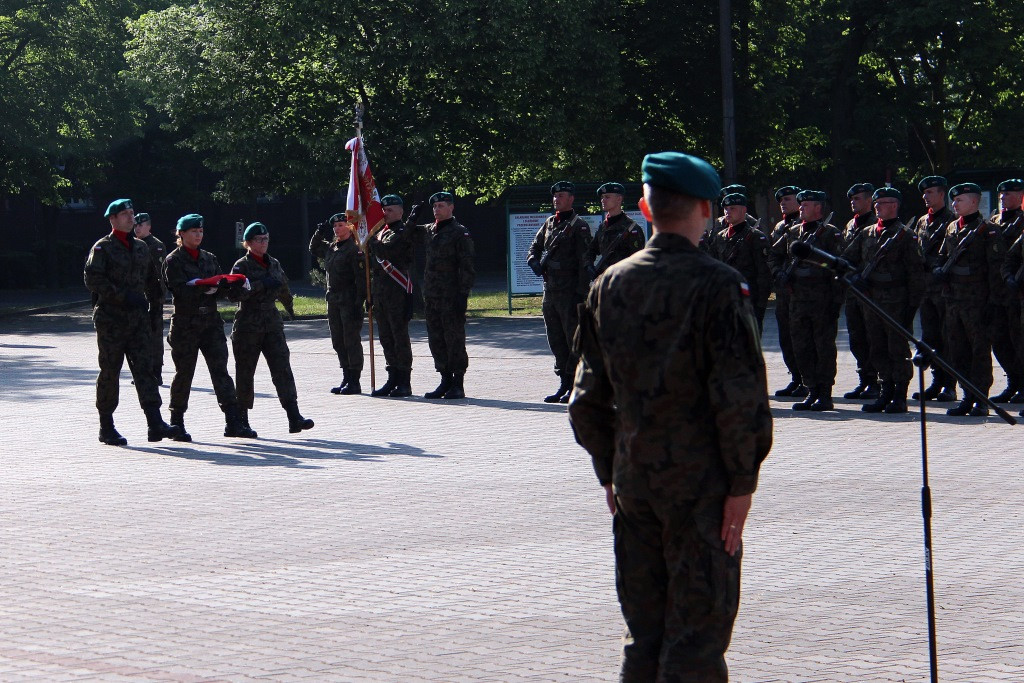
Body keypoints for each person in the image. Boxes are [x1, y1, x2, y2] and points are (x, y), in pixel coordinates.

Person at [569, 151, 772, 682]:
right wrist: (742, 482)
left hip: (635, 483)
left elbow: (586, 399)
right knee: (696, 644)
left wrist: (609, 470)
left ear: (643, 208)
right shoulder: (719, 284)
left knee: (645, 638)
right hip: (701, 489)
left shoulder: (607, 284)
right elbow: (740, 397)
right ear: (706, 208)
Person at [84, 199, 184, 445]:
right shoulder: (102, 248)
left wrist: (155, 305)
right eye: (125, 214)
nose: (131, 218)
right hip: (111, 321)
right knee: (110, 372)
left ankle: (155, 423)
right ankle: (106, 426)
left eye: (131, 213)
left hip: (138, 320)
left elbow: (153, 279)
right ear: (113, 219)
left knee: (145, 370)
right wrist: (123, 296)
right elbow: (92, 279)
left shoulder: (141, 248)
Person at [162, 213, 257, 439]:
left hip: (211, 323)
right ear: (181, 234)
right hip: (186, 324)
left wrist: (232, 286)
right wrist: (202, 288)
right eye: (193, 231)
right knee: (184, 374)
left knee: (221, 372)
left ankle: (232, 422)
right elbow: (177, 290)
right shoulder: (173, 260)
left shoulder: (209, 258)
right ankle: (177, 422)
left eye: (201, 231)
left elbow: (221, 286)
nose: (198, 235)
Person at [840, 187, 925, 413]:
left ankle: (899, 394)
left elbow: (916, 274)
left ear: (895, 206)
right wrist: (854, 278)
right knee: (876, 347)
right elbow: (846, 261)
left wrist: (911, 307)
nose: (877, 206)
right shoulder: (867, 233)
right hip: (871, 301)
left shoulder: (906, 235)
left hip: (896, 301)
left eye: (883, 203)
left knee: (897, 349)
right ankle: (884, 390)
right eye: (876, 203)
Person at [230, 222, 314, 433]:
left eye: (266, 238)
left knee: (282, 369)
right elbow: (233, 295)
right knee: (245, 373)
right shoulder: (242, 266)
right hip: (249, 325)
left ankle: (294, 416)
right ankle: (241, 419)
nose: (264, 243)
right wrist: (260, 285)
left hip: (272, 323)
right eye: (259, 240)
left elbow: (283, 286)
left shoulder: (274, 263)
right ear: (248, 243)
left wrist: (290, 308)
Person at [935, 184, 1007, 416]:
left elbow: (996, 270)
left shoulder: (989, 231)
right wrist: (938, 269)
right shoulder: (952, 228)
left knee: (979, 351)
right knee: (958, 350)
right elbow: (942, 256)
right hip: (954, 300)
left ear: (974, 202)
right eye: (954, 201)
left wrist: (993, 302)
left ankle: (981, 399)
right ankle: (967, 395)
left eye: (960, 201)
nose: (954, 205)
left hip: (978, 301)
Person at [527, 181, 593, 403]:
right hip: (551, 291)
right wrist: (533, 261)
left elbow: (585, 262)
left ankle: (576, 384)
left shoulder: (579, 226)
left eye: (562, 195)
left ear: (571, 199)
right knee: (555, 338)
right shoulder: (549, 223)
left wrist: (580, 293)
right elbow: (534, 246)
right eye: (555, 196)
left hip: (570, 292)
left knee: (572, 339)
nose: (557, 199)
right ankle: (563, 382)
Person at [784, 190, 843, 411]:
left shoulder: (830, 234)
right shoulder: (793, 233)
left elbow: (837, 266)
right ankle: (811, 389)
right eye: (800, 205)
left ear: (818, 208)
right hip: (798, 300)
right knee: (802, 346)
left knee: (823, 347)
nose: (800, 209)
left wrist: (835, 301)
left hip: (822, 300)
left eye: (805, 205)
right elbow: (783, 258)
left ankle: (825, 393)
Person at [415, 192, 475, 399]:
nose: (437, 209)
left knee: (454, 338)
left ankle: (458, 382)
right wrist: (412, 218)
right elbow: (406, 235)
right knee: (436, 339)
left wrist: (463, 294)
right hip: (432, 295)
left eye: (441, 205)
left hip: (451, 295)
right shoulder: (429, 230)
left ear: (451, 208)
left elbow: (467, 266)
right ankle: (444, 379)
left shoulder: (460, 233)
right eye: (435, 206)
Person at [309, 212, 367, 395]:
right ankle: (346, 376)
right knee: (338, 341)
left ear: (349, 227)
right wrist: (319, 233)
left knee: (351, 340)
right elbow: (313, 248)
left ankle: (355, 380)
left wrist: (360, 300)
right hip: (333, 300)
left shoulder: (354, 249)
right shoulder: (332, 247)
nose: (337, 228)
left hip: (349, 300)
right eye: (335, 226)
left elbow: (360, 278)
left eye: (341, 225)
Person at [365, 195, 417, 398]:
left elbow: (387, 251)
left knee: (399, 337)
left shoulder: (403, 232)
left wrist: (368, 237)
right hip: (381, 294)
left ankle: (404, 381)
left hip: (397, 292)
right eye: (384, 210)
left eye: (390, 210)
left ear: (401, 212)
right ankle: (392, 377)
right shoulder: (380, 233)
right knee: (386, 337)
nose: (385, 214)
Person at [911, 176, 957, 402]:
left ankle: (950, 384)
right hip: (925, 290)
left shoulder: (952, 220)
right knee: (930, 337)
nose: (925, 196)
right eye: (924, 193)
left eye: (930, 192)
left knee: (947, 337)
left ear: (942, 195)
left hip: (943, 290)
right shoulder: (922, 222)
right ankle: (937, 381)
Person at [841, 183, 880, 399]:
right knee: (856, 338)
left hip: (870, 291)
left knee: (872, 336)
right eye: (852, 199)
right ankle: (864, 379)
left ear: (869, 201)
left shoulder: (876, 224)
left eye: (857, 199)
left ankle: (877, 381)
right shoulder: (850, 225)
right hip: (852, 290)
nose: (853, 202)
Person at [987, 179, 1024, 403]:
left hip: (1017, 293)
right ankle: (1013, 381)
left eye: (1009, 194)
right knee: (999, 340)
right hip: (996, 292)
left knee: (1019, 341)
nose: (1003, 197)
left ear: (1021, 197)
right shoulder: (993, 222)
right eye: (1001, 194)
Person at [768, 185, 807, 397]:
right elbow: (773, 255)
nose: (783, 203)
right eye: (781, 200)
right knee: (785, 336)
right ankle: (796, 377)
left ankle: (809, 379)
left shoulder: (806, 225)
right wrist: (777, 273)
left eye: (788, 199)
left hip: (802, 290)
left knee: (802, 336)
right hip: (784, 291)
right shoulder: (779, 226)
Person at [713, 192, 771, 331]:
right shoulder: (720, 237)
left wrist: (761, 304)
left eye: (732, 208)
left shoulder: (756, 237)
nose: (727, 212)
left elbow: (764, 273)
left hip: (749, 299)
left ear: (744, 210)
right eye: (726, 209)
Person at [132, 212, 168, 384]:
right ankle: (141, 372)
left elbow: (159, 275)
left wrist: (157, 298)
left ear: (149, 226)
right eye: (136, 225)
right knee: (137, 337)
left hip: (153, 298)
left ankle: (156, 372)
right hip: (136, 298)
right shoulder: (132, 244)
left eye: (141, 224)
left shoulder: (156, 246)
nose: (137, 227)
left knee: (154, 336)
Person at [583, 182, 645, 281]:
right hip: (604, 283)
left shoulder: (632, 229)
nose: (603, 200)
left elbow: (638, 261)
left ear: (619, 199)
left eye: (607, 197)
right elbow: (591, 249)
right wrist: (589, 265)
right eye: (602, 197)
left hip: (624, 284)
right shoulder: (603, 227)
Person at [999, 197, 1024, 418]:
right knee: (1010, 343)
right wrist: (1009, 277)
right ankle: (1015, 382)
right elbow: (1009, 259)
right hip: (1014, 296)